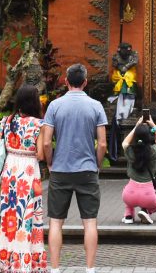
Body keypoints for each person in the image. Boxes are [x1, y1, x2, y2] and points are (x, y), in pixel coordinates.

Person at [41, 64, 107, 273]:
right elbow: (103, 143)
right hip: (87, 169)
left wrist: (50, 163)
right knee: (89, 222)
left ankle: (55, 268)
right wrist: (96, 164)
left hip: (60, 169)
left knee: (55, 222)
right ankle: (90, 268)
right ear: (85, 82)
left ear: (66, 82)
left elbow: (45, 142)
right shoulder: (96, 105)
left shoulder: (54, 106)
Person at [0, 85, 46, 273]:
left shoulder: (6, 121)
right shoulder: (38, 124)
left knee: (7, 214)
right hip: (28, 171)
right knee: (28, 214)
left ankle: (4, 258)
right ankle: (26, 261)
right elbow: (41, 154)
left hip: (10, 170)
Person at [120, 117, 156, 224]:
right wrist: (153, 125)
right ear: (149, 137)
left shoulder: (130, 150)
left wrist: (136, 127)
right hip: (148, 196)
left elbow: (125, 141)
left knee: (127, 190)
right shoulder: (154, 151)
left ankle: (129, 216)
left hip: (128, 195)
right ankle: (146, 210)